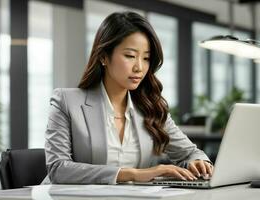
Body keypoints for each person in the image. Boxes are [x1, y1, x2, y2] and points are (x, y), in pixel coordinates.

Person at [44, 11, 213, 185]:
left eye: (146, 58)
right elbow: (58, 168)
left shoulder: (150, 108)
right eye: (130, 56)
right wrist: (133, 174)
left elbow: (190, 153)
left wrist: (199, 163)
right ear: (103, 57)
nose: (139, 67)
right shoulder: (66, 101)